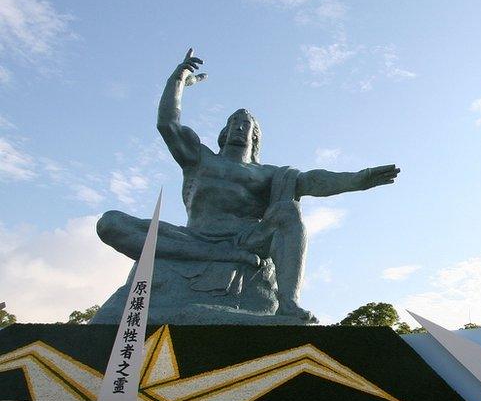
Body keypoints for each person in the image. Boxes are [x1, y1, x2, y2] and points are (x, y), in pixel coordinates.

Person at [96, 49, 400, 322]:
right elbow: (168, 124)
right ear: (224, 131)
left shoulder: (268, 173)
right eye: (235, 123)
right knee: (110, 222)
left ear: (255, 137)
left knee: (287, 214)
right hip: (194, 239)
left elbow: (312, 180)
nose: (241, 127)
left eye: (248, 125)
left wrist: (358, 180)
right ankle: (217, 257)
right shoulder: (200, 159)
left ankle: (288, 303)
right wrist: (178, 80)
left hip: (245, 241)